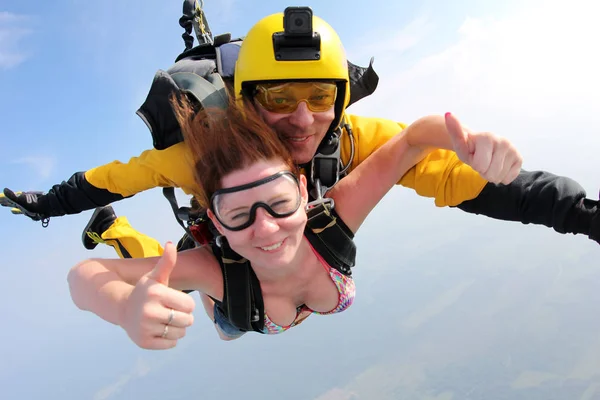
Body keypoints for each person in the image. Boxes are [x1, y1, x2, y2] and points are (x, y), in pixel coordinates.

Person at [2, 9, 598, 260]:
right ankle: (116, 235)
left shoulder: (360, 136)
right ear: (243, 102)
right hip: (232, 244)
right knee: (221, 309)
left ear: (340, 99)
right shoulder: (198, 158)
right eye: (277, 99)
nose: (303, 118)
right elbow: (108, 179)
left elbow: (462, 182)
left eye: (319, 96)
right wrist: (42, 203)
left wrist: (583, 213)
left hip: (299, 252)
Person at [67, 84, 522, 347]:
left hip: (254, 300)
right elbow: (85, 275)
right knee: (205, 310)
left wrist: (465, 139)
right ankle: (114, 229)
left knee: (187, 290)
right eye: (239, 214)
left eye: (281, 204)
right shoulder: (212, 268)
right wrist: (124, 307)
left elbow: (410, 142)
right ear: (217, 220)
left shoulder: (332, 216)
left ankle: (119, 231)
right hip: (232, 307)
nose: (266, 227)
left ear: (304, 191)